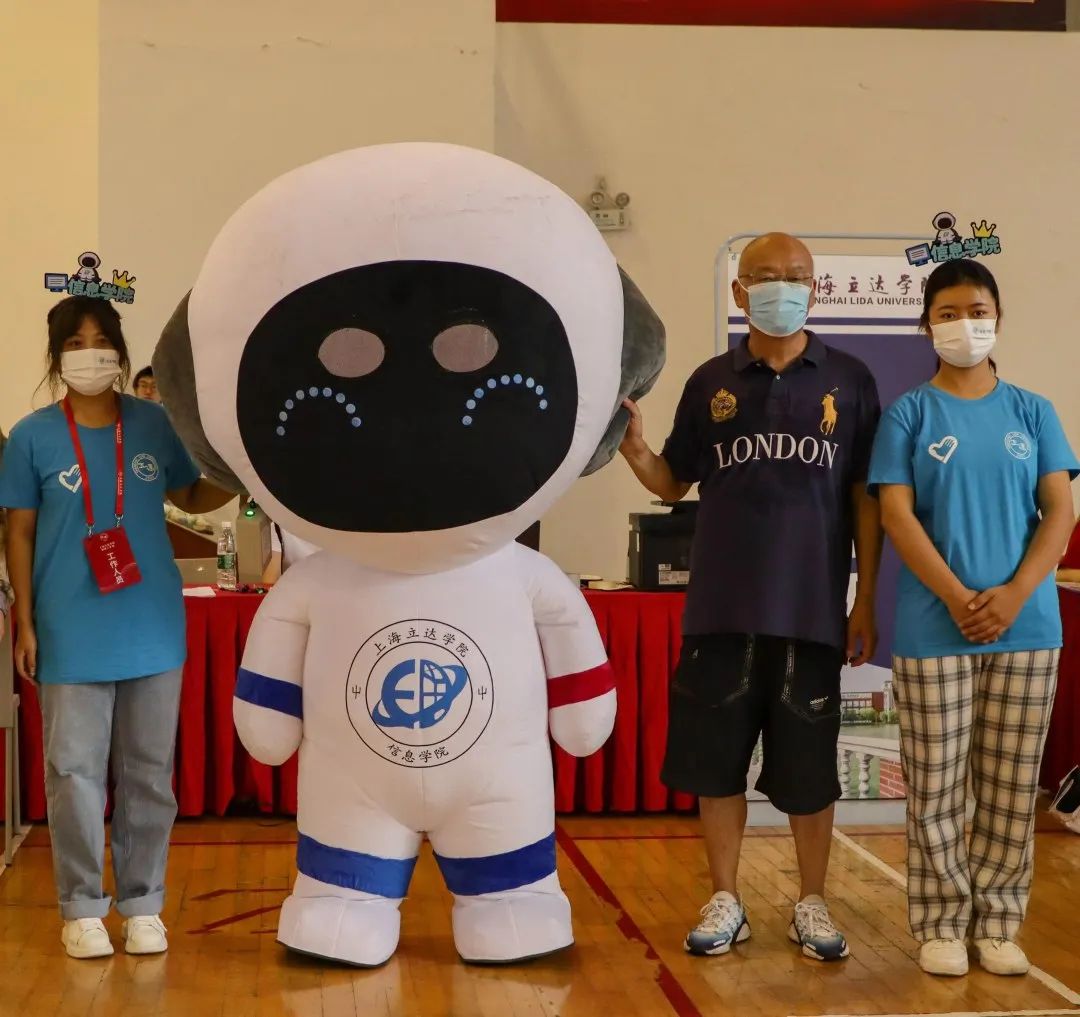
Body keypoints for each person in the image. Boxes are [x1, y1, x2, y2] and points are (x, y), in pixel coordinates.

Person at [619, 232, 882, 961]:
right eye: (765, 276)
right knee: (716, 764)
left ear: (815, 290)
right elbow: (673, 480)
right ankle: (726, 897)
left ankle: (812, 901)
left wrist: (864, 599)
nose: (780, 287)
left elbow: (865, 498)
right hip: (721, 610)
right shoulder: (711, 382)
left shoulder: (851, 381)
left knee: (809, 773)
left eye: (795, 276)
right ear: (740, 292)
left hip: (812, 612)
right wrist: (635, 447)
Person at [0, 296, 232, 959]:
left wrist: (243, 472)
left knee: (149, 774)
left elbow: (191, 493)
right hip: (69, 628)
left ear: (122, 351)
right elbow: (19, 532)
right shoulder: (32, 436)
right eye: (75, 343)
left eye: (101, 340)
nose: (90, 353)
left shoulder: (153, 423)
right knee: (73, 772)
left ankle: (143, 902)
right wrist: (24, 621)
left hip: (151, 626)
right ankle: (80, 906)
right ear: (56, 355)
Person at [868, 259, 1078, 978]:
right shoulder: (908, 414)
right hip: (934, 628)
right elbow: (896, 515)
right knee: (935, 786)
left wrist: (1015, 593)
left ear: (999, 318)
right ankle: (941, 924)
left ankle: (998, 923)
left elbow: (1060, 511)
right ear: (926, 325)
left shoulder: (1033, 411)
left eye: (978, 310)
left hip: (1028, 626)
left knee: (1011, 786)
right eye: (949, 312)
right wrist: (959, 597)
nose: (965, 324)